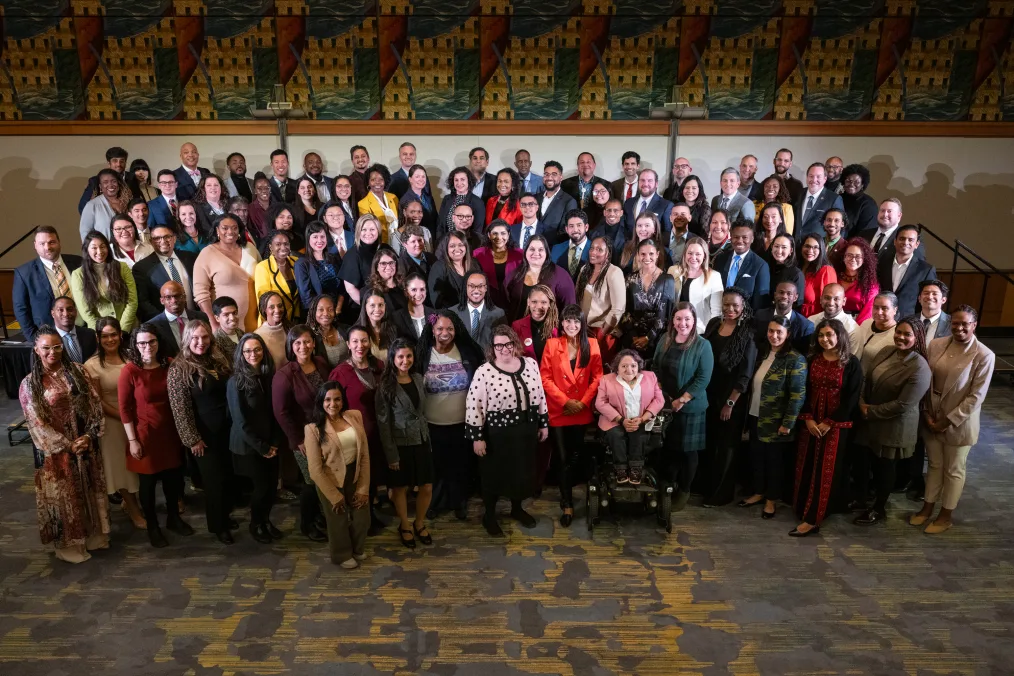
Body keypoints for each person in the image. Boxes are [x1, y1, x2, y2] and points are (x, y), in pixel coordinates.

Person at [19, 326, 108, 564]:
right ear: (36, 350)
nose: (52, 352)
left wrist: (89, 436)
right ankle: (70, 548)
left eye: (57, 347)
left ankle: (93, 538)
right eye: (46, 348)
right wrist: (68, 445)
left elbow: (95, 405)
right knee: (64, 498)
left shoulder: (78, 372)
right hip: (56, 453)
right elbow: (36, 423)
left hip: (85, 445)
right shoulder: (31, 384)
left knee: (88, 491)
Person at [911, 307, 995, 534]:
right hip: (932, 416)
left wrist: (946, 421)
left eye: (965, 324)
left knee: (954, 469)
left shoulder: (984, 355)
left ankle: (946, 515)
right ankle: (927, 508)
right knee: (935, 466)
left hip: (960, 422)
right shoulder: (937, 344)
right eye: (955, 323)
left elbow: (976, 397)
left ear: (974, 325)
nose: (959, 328)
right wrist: (927, 413)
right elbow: (926, 380)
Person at [466, 325, 549, 536]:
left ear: (515, 343)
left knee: (521, 473)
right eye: (499, 345)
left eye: (508, 344)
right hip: (498, 434)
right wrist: (477, 437)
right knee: (494, 475)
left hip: (526, 430)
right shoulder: (484, 371)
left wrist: (543, 423)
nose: (504, 349)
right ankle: (490, 516)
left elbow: (540, 394)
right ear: (492, 348)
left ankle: (517, 509)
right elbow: (473, 404)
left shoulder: (530, 364)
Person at [119, 323, 193, 547]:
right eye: (142, 342)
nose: (147, 346)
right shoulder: (130, 371)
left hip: (170, 433)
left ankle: (173, 518)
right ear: (135, 345)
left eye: (151, 341)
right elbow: (125, 409)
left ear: (158, 342)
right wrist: (132, 440)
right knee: (148, 486)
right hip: (145, 435)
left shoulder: (169, 364)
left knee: (173, 480)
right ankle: (153, 526)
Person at [853, 318, 932, 526]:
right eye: (899, 332)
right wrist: (861, 402)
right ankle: (861, 500)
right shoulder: (886, 350)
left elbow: (903, 405)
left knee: (884, 468)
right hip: (869, 418)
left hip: (893, 425)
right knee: (862, 460)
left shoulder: (920, 367)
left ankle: (879, 509)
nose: (901, 337)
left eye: (907, 334)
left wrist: (870, 411)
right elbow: (866, 379)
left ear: (917, 338)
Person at [167, 320, 237, 544]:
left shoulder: (216, 358)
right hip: (203, 436)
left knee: (227, 478)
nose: (201, 342)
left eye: (205, 337)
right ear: (187, 339)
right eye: (195, 338)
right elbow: (180, 409)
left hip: (226, 430)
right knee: (213, 482)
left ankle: (224, 516)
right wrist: (192, 439)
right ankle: (218, 526)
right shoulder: (179, 368)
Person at [791, 319, 862, 537]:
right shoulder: (811, 359)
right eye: (821, 336)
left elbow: (852, 397)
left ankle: (814, 518)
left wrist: (829, 422)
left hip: (836, 426)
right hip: (810, 423)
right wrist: (809, 419)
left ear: (840, 336)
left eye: (830, 335)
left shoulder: (851, 363)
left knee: (826, 469)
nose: (825, 339)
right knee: (807, 464)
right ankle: (802, 507)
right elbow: (800, 390)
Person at [415, 310, 483, 520]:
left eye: (450, 328)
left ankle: (459, 502)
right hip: (433, 424)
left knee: (460, 466)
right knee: (437, 467)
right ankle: (435, 503)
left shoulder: (467, 352)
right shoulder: (423, 354)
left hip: (462, 423)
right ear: (432, 330)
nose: (445, 333)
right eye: (440, 329)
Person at [541, 305, 603, 526]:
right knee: (562, 457)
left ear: (582, 323)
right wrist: (566, 402)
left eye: (576, 321)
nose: (572, 325)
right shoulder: (552, 344)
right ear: (562, 323)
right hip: (559, 410)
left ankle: (568, 493)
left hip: (581, 410)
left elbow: (597, 377)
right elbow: (545, 378)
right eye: (567, 321)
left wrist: (582, 403)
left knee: (575, 458)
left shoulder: (592, 344)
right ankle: (567, 503)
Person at [739, 316, 807, 518]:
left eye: (779, 332)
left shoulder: (796, 359)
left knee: (774, 463)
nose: (774, 335)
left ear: (788, 334)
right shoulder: (762, 353)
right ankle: (759, 492)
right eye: (771, 331)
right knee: (757, 459)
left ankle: (771, 500)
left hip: (777, 421)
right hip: (755, 415)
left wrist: (788, 423)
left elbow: (797, 395)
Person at [652, 303, 715, 514]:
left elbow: (703, 378)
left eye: (687, 319)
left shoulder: (702, 345)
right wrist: (659, 389)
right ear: (673, 321)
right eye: (678, 319)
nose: (683, 323)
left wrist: (683, 399)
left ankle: (685, 491)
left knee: (688, 453)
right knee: (669, 449)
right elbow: (655, 366)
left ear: (694, 320)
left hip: (691, 407)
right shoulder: (665, 340)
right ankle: (668, 486)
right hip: (666, 405)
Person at [82, 317, 143, 528]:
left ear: (121, 335)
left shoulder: (132, 357)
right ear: (98, 338)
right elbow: (97, 401)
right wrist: (125, 418)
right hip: (113, 422)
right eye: (105, 336)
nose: (110, 339)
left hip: (139, 418)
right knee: (121, 468)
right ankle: (134, 511)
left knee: (139, 464)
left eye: (113, 334)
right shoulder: (91, 366)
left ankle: (133, 503)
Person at [272, 325, 331, 542]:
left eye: (307, 341)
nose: (303, 346)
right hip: (304, 438)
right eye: (297, 343)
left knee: (324, 478)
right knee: (311, 481)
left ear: (314, 343)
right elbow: (281, 412)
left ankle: (319, 516)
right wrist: (298, 441)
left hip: (327, 432)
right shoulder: (285, 375)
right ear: (291, 346)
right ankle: (307, 524)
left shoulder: (321, 364)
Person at [376, 339, 435, 548]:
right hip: (399, 445)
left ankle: (419, 522)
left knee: (426, 486)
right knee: (400, 488)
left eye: (408, 356)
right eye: (400, 356)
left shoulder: (418, 378)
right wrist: (391, 455)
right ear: (392, 359)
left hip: (421, 439)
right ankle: (404, 525)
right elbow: (384, 424)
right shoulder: (385, 386)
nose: (405, 360)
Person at [305, 382, 371, 568]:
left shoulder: (354, 416)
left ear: (343, 400)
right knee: (338, 521)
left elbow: (364, 455)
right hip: (329, 479)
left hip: (354, 473)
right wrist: (334, 496)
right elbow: (315, 470)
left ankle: (356, 549)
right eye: (327, 399)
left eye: (337, 399)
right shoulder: (312, 429)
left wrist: (363, 488)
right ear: (321, 401)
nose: (332, 404)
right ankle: (341, 555)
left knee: (362, 518)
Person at [701, 287, 757, 506]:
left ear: (743, 307)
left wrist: (730, 403)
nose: (731, 309)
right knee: (711, 443)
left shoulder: (747, 334)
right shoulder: (714, 324)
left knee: (727, 448)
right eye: (727, 304)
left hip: (731, 398)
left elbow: (745, 375)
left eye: (735, 305)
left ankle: (721, 495)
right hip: (710, 393)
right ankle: (706, 487)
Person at [227, 333, 285, 543]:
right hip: (249, 447)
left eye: (257, 349)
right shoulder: (236, 382)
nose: (253, 354)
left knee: (271, 488)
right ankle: (256, 524)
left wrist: (275, 442)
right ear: (241, 354)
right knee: (261, 489)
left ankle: (266, 520)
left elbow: (276, 412)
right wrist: (263, 448)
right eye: (248, 351)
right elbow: (240, 422)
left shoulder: (269, 376)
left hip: (271, 443)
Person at [596, 349, 664, 483]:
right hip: (615, 421)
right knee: (616, 434)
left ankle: (636, 468)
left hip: (642, 420)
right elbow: (600, 403)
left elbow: (659, 400)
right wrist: (621, 420)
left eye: (633, 365)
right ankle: (620, 468)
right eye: (624, 366)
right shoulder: (606, 380)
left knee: (638, 434)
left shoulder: (650, 377)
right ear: (617, 368)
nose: (629, 369)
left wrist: (643, 419)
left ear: (638, 366)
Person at [13, 226, 83, 341]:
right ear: (35, 245)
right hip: (49, 337)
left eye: (52, 242)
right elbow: (21, 308)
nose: (47, 247)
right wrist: (34, 339)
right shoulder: (24, 273)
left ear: (59, 243)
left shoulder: (78, 262)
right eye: (42, 243)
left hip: (83, 330)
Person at [194, 214, 259, 333]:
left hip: (256, 318)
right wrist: (213, 322)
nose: (230, 231)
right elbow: (200, 294)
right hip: (226, 324)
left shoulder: (249, 248)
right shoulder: (207, 254)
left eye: (234, 228)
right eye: (225, 228)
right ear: (217, 230)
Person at [618, 239, 676, 360]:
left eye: (651, 254)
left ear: (657, 255)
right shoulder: (630, 278)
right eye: (643, 254)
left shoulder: (667, 280)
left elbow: (666, 315)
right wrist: (633, 336)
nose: (647, 257)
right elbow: (626, 310)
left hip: (657, 339)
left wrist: (648, 338)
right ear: (637, 255)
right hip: (632, 338)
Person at [71, 230, 139, 331]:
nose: (99, 251)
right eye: (94, 248)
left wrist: (123, 329)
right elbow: (85, 312)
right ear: (87, 250)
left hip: (129, 328)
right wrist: (104, 333)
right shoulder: (78, 275)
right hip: (100, 332)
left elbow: (132, 301)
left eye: (102, 246)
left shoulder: (122, 267)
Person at [133, 224, 198, 322]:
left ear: (174, 239)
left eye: (167, 237)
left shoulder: (190, 258)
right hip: (167, 324)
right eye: (157, 238)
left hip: (195, 318)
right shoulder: (142, 268)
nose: (163, 241)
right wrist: (165, 321)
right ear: (151, 242)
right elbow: (144, 302)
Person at [505, 235, 576, 323]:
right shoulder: (515, 274)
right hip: (518, 330)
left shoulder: (561, 275)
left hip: (550, 332)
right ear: (525, 251)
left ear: (546, 253)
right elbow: (505, 304)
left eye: (541, 250)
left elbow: (570, 307)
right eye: (532, 249)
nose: (536, 253)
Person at [577, 235, 625, 360]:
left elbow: (618, 308)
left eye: (599, 249)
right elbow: (577, 299)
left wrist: (603, 333)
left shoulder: (614, 272)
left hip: (603, 331)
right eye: (592, 248)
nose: (593, 252)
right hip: (583, 329)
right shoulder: (584, 270)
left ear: (608, 253)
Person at [876, 224, 937, 317]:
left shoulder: (925, 270)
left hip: (909, 322)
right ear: (895, 241)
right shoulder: (881, 263)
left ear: (917, 244)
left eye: (911, 240)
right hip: (882, 318)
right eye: (902, 239)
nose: (905, 242)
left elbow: (928, 299)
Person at [668, 236, 724, 335]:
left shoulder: (715, 276)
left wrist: (710, 333)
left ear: (704, 256)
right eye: (690, 253)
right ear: (684, 254)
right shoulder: (673, 271)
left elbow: (717, 312)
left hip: (701, 332)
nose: (693, 257)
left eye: (698, 254)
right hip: (676, 329)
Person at [712, 222, 770, 311]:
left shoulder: (760, 265)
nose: (739, 240)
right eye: (736, 237)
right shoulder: (720, 259)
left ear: (752, 239)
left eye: (744, 237)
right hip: (718, 312)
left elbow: (760, 302)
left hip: (745, 318)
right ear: (730, 238)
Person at [147, 280, 208, 358]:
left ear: (185, 297)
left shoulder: (201, 317)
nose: (174, 300)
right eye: (168, 297)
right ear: (162, 301)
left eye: (177, 296)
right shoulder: (153, 326)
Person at [753, 280, 815, 355]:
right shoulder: (760, 315)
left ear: (795, 297)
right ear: (775, 295)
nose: (784, 296)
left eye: (789, 294)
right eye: (781, 292)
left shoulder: (805, 326)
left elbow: (802, 355)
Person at [473, 219, 523, 310]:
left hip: (514, 303)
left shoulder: (519, 254)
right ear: (489, 235)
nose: (499, 237)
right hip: (487, 303)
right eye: (495, 233)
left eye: (503, 233)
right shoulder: (478, 254)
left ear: (508, 234)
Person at [339, 215, 382, 314]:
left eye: (372, 229)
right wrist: (370, 308)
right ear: (358, 231)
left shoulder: (385, 249)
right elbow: (350, 289)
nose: (368, 233)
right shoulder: (352, 255)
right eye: (364, 229)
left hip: (384, 303)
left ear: (378, 231)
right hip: (361, 308)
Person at [254, 230, 300, 324]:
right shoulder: (263, 267)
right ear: (271, 247)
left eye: (286, 244)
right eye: (278, 244)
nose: (283, 247)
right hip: (273, 321)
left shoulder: (297, 262)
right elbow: (263, 301)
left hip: (295, 322)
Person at [451, 272, 505, 351]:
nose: (476, 290)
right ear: (466, 288)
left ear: (486, 288)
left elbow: (502, 344)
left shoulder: (498, 314)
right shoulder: (452, 313)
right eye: (472, 286)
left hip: (488, 361)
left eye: (480, 286)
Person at [428, 231, 481, 310]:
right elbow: (437, 300)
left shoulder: (474, 264)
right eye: (452, 246)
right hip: (452, 316)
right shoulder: (438, 267)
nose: (457, 249)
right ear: (446, 248)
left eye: (461, 245)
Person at [793, 162, 844, 242]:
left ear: (825, 178)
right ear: (807, 177)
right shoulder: (798, 194)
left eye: (818, 177)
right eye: (811, 176)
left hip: (818, 249)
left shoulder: (834, 199)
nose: (814, 180)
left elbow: (840, 228)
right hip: (795, 246)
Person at [78, 147, 136, 214]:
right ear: (109, 163)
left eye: (122, 161)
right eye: (115, 161)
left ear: (125, 163)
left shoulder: (133, 178)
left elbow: (137, 202)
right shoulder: (95, 180)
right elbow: (83, 207)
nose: (118, 164)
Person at [622, 169, 674, 242]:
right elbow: (624, 228)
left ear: (656, 184)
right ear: (638, 182)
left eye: (650, 181)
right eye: (642, 180)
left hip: (652, 250)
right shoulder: (629, 203)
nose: (645, 184)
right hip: (630, 249)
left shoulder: (666, 205)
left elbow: (667, 233)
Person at [835, 237, 879, 323]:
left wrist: (855, 331)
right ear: (843, 257)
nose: (853, 259)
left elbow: (867, 315)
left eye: (858, 256)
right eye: (849, 255)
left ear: (864, 259)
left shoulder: (870, 285)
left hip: (855, 326)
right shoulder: (834, 277)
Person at [512, 284, 558, 364]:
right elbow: (513, 356)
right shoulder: (517, 326)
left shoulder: (558, 328)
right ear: (528, 302)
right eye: (534, 302)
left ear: (549, 304)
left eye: (543, 302)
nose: (538, 306)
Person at [437, 167, 486, 243]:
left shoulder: (477, 202)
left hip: (467, 245)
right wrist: (439, 243)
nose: (459, 183)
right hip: (446, 243)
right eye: (456, 180)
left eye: (462, 179)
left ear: (468, 181)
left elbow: (477, 230)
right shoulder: (447, 199)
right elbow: (440, 225)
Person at [79, 169, 130, 241]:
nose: (110, 185)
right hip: (104, 251)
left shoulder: (128, 203)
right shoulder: (92, 205)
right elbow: (85, 232)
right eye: (105, 182)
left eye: (114, 181)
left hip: (128, 249)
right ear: (100, 186)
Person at [536, 161, 579, 245]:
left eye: (554, 174)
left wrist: (543, 244)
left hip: (554, 249)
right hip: (532, 248)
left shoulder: (569, 201)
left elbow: (566, 230)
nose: (549, 177)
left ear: (561, 177)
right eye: (546, 174)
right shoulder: (535, 198)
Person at [806, 282, 860, 349]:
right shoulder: (811, 321)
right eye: (827, 298)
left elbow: (853, 358)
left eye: (836, 299)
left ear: (844, 301)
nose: (831, 303)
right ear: (821, 299)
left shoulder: (852, 329)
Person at [853, 292, 900, 365]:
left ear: (895, 310)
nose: (879, 312)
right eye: (876, 307)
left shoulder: (897, 334)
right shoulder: (866, 323)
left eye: (884, 308)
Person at [357, 164, 399, 245]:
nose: (377, 182)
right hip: (379, 244)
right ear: (368, 182)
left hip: (397, 242)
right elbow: (368, 230)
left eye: (381, 179)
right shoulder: (363, 204)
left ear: (385, 181)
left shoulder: (393, 198)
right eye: (373, 179)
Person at [798, 234, 838, 318]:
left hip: (814, 320)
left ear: (821, 250)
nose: (810, 250)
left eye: (815, 247)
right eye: (807, 246)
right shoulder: (797, 267)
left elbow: (829, 303)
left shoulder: (826, 270)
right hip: (795, 316)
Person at [306, 294, 349, 367]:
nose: (326, 313)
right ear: (313, 311)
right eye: (321, 309)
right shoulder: (309, 336)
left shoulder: (345, 329)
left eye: (330, 309)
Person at [49, 296, 97, 364]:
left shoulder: (89, 334)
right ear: (53, 313)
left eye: (70, 309)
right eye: (60, 310)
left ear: (76, 312)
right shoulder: (46, 340)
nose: (66, 314)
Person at [550, 209, 591, 282]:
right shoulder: (556, 249)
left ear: (586, 227)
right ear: (566, 229)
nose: (575, 230)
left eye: (579, 225)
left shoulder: (595, 249)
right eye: (571, 226)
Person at [365, 245, 407, 315]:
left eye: (391, 263)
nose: (388, 267)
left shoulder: (403, 286)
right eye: (383, 263)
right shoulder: (370, 291)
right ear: (377, 267)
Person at [391, 273, 434, 340]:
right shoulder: (396, 318)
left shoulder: (435, 314)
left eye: (422, 289)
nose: (418, 294)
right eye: (414, 290)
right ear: (406, 292)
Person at [398, 163, 438, 234]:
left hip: (431, 237)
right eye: (417, 177)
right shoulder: (406, 200)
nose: (421, 179)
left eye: (423, 176)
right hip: (417, 238)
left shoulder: (428, 197)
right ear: (410, 179)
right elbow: (405, 225)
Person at [840, 164, 878, 236]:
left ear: (862, 184)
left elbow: (866, 233)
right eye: (848, 181)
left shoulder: (868, 204)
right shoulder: (837, 199)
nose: (851, 184)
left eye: (856, 182)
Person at [254, 291, 290, 368]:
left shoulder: (290, 328)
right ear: (264, 310)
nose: (277, 310)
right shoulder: (257, 336)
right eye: (272, 307)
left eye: (280, 306)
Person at [767, 233, 805, 304]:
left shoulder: (796, 274)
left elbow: (798, 303)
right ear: (772, 247)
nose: (779, 251)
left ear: (791, 250)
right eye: (776, 246)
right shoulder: (765, 267)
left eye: (784, 247)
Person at [358, 290, 395, 362]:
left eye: (381, 305)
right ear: (365, 307)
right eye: (372, 305)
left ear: (385, 306)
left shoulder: (393, 328)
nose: (377, 309)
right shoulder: (357, 332)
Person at [677, 175, 711, 239]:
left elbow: (704, 237)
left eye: (694, 188)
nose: (690, 191)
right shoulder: (677, 206)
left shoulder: (705, 210)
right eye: (687, 187)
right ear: (682, 189)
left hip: (696, 246)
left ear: (699, 190)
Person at [211, 296, 243, 361]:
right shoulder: (215, 342)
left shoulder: (241, 333)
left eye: (234, 313)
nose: (232, 318)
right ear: (217, 318)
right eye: (226, 315)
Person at [248, 174, 274, 241]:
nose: (264, 191)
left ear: (270, 189)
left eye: (267, 188)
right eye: (259, 188)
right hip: (259, 245)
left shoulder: (277, 206)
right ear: (255, 191)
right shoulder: (250, 209)